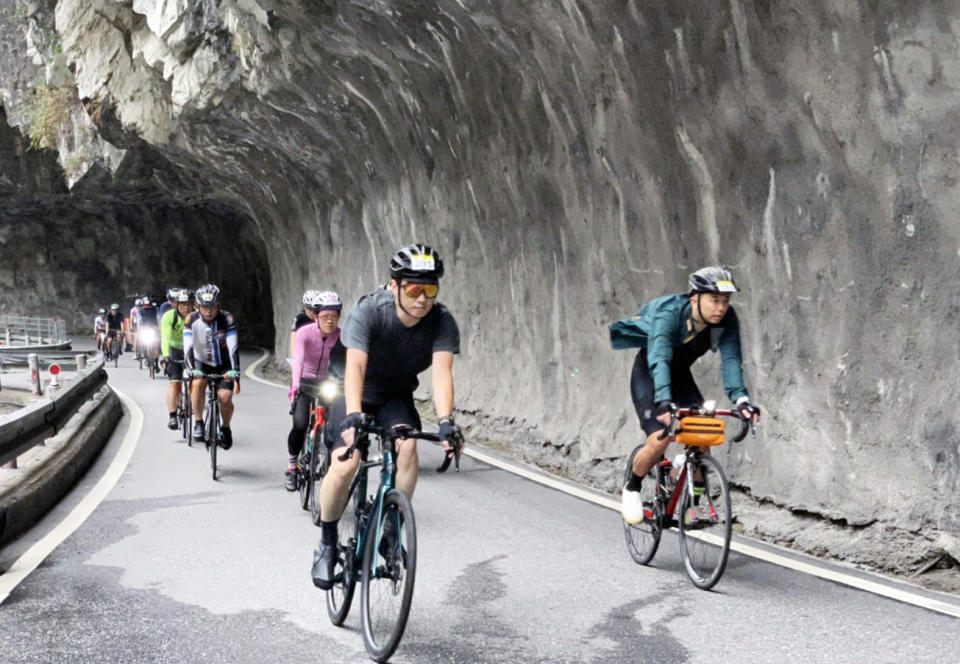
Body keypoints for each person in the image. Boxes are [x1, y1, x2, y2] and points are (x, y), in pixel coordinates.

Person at [311, 243, 463, 590]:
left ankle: (391, 528)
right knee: (346, 463)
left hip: (395, 393)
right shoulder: (370, 310)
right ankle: (327, 541)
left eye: (430, 289)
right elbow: (356, 366)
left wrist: (445, 421)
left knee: (407, 448)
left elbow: (442, 373)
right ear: (393, 286)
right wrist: (352, 416)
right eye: (413, 288)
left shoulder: (441, 322)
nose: (422, 298)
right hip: (353, 389)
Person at [609, 266, 761, 525]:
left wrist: (742, 400)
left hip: (679, 375)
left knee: (703, 437)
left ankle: (692, 505)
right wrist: (663, 401)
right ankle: (632, 487)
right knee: (659, 440)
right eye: (714, 300)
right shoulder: (669, 313)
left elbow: (731, 360)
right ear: (694, 299)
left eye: (725, 301)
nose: (721, 308)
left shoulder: (726, 319)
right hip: (650, 373)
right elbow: (659, 358)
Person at [284, 291, 346, 491]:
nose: (330, 321)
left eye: (334, 317)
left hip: (328, 382)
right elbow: (298, 360)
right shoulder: (305, 333)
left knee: (334, 425)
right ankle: (292, 466)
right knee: (300, 423)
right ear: (316, 316)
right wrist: (295, 386)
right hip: (306, 382)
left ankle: (329, 465)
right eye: (325, 316)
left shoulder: (341, 336)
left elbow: (344, 365)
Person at [183, 284, 240, 448]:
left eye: (212, 307)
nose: (208, 311)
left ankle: (226, 427)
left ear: (218, 306)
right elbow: (187, 346)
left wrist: (234, 369)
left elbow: (233, 346)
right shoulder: (191, 319)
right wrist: (190, 368)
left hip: (224, 364)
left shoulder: (226, 318)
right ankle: (199, 422)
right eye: (204, 307)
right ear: (198, 306)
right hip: (201, 362)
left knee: (225, 397)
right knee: (197, 383)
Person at [160, 288, 193, 430]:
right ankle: (172, 415)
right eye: (183, 304)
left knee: (196, 382)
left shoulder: (198, 317)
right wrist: (166, 356)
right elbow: (165, 338)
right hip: (174, 351)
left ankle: (192, 405)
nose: (186, 307)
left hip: (192, 350)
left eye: (189, 304)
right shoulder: (168, 317)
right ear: (176, 304)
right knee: (175, 384)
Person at [288, 290, 321, 358]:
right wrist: (294, 358)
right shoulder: (300, 318)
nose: (312, 311)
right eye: (309, 308)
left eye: (315, 308)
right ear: (304, 306)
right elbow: (293, 340)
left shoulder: (323, 317)